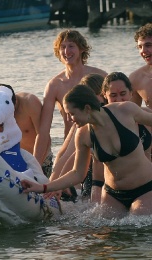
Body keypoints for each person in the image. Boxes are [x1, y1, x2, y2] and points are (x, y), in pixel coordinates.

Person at [21, 84, 152, 217]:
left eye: (71, 114)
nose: (69, 119)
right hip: (113, 195)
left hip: (145, 187)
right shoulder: (83, 135)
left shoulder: (124, 110)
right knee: (104, 232)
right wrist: (43, 187)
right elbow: (77, 173)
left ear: (87, 108)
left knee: (139, 218)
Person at [34, 29, 107, 166]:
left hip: (101, 140)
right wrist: (35, 165)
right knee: (59, 179)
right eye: (63, 47)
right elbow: (43, 131)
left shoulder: (100, 77)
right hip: (72, 144)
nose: (67, 51)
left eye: (71, 46)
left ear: (81, 49)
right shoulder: (54, 85)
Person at [49, 73, 105, 202]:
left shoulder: (112, 114)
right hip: (90, 176)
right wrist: (54, 184)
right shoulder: (82, 124)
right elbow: (66, 154)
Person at [0, 83, 53, 177]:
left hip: (40, 159)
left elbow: (43, 135)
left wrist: (35, 167)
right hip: (14, 160)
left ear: (14, 100)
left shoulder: (29, 102)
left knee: (40, 189)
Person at [129, 23, 152, 108]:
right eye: (140, 47)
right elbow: (132, 116)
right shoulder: (136, 78)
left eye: (148, 45)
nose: (143, 51)